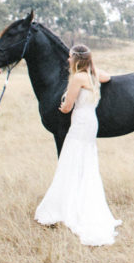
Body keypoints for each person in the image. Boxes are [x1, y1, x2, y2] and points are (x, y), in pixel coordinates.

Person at [34, 44, 121, 246]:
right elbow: (107, 77)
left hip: (80, 121)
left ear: (76, 59)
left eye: (70, 57)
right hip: (91, 122)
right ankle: (83, 198)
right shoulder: (93, 74)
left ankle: (69, 203)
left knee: (71, 159)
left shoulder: (78, 78)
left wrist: (63, 104)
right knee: (86, 159)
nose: (68, 60)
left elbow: (67, 107)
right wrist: (93, 67)